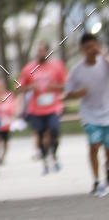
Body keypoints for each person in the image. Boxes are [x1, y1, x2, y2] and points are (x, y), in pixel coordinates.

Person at [64, 32, 109, 197]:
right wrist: (77, 94)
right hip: (89, 114)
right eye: (88, 47)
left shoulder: (104, 63)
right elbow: (67, 93)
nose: (91, 50)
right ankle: (97, 180)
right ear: (82, 49)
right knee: (94, 146)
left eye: (94, 46)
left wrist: (103, 53)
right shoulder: (77, 70)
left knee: (108, 149)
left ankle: (108, 170)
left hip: (107, 112)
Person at [18, 41, 67, 175]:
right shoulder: (29, 69)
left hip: (53, 107)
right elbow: (20, 87)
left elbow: (65, 85)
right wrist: (30, 87)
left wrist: (54, 87)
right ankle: (45, 159)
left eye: (43, 50)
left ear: (48, 52)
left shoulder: (57, 66)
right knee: (40, 135)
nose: (41, 53)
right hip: (35, 109)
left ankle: (54, 154)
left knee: (54, 130)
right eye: (38, 50)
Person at [0, 86, 17, 165]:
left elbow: (12, 107)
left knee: (5, 140)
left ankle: (2, 157)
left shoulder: (9, 95)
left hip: (6, 122)